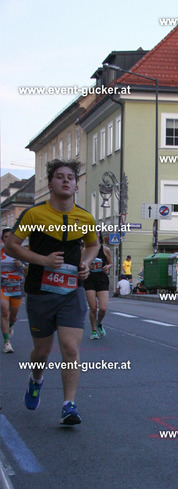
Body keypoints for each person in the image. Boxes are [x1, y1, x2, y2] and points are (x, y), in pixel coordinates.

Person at [4, 159, 99, 426]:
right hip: (40, 292)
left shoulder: (85, 217)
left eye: (70, 177)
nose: (66, 180)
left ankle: (69, 405)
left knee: (70, 347)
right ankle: (36, 379)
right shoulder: (34, 215)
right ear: (50, 184)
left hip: (72, 291)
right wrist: (42, 260)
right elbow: (12, 246)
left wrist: (85, 263)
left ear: (76, 185)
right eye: (59, 176)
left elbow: (93, 245)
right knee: (42, 352)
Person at [84, 232, 112, 340]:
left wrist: (107, 267)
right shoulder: (85, 250)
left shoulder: (105, 249)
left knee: (103, 308)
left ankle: (99, 322)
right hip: (89, 280)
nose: (94, 235)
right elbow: (80, 264)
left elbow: (110, 263)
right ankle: (94, 331)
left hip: (102, 279)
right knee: (93, 307)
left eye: (96, 234)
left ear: (100, 236)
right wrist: (87, 266)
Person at [1, 227, 25, 353]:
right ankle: (7, 343)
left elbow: (30, 269)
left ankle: (10, 325)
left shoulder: (21, 252)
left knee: (13, 316)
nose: (8, 239)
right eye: (6, 237)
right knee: (5, 311)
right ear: (2, 239)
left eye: (10, 236)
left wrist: (21, 265)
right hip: (3, 285)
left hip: (17, 286)